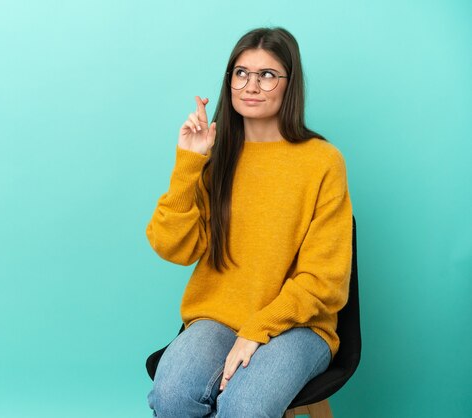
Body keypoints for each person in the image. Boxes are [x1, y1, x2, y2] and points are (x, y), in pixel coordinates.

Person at [145, 26, 353, 418]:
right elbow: (174, 247)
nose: (251, 86)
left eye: (267, 75)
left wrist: (256, 331)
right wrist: (189, 163)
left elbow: (325, 280)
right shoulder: (217, 157)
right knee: (171, 396)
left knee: (245, 406)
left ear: (290, 85)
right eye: (241, 73)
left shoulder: (322, 161)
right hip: (218, 316)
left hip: (298, 325)